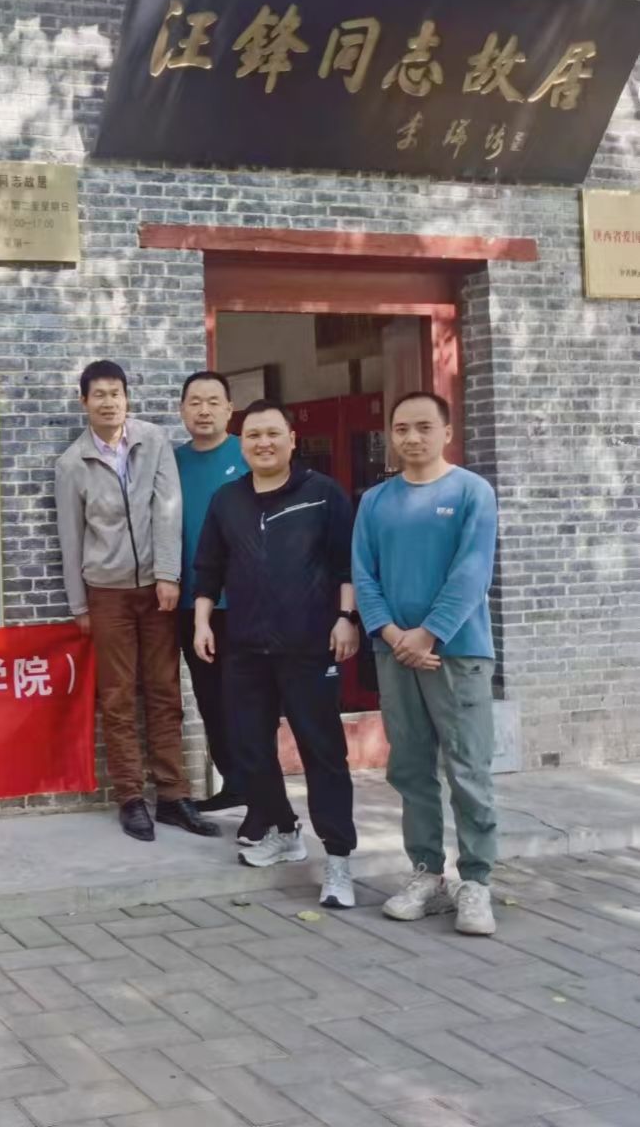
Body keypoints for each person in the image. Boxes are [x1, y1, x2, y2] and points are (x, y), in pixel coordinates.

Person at [192, 401, 360, 909]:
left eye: (271, 434)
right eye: (252, 436)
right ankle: (284, 830)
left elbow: (347, 562)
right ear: (241, 445)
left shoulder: (322, 493)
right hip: (245, 646)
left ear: (291, 439)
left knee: (321, 751)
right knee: (249, 748)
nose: (262, 443)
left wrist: (346, 617)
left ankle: (338, 858)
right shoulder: (228, 499)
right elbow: (208, 568)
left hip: (309, 644)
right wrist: (201, 621)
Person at [353, 392, 500, 936]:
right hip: (395, 652)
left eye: (423, 427)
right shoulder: (375, 501)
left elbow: (472, 571)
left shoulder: (471, 492)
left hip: (458, 652)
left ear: (446, 432)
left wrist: (429, 633)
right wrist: (395, 635)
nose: (411, 438)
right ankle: (427, 874)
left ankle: (476, 881)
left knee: (467, 768)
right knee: (410, 767)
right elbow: (363, 574)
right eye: (400, 429)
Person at [55, 360, 217, 843]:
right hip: (107, 595)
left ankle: (173, 795)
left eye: (116, 393)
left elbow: (168, 511)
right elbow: (70, 537)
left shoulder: (152, 441)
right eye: (99, 395)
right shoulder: (73, 463)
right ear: (84, 402)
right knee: (118, 696)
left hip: (156, 589)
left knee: (165, 692)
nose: (109, 402)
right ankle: (130, 796)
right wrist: (79, 606)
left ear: (127, 397)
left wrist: (168, 575)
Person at [173, 371, 251, 823]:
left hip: (240, 603)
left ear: (229, 409)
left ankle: (261, 792)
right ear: (182, 410)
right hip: (189, 602)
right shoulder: (172, 462)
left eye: (213, 402)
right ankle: (234, 782)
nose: (203, 411)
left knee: (246, 700)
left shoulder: (247, 453)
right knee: (210, 699)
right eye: (195, 402)